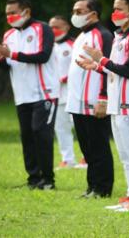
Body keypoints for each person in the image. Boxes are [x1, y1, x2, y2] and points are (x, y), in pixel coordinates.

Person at [77, 0, 129, 212]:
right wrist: (98, 66)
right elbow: (116, 70)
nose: (115, 12)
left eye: (120, 9)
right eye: (115, 8)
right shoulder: (121, 36)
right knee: (126, 154)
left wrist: (100, 59)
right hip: (117, 104)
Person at [0, 0, 59, 190]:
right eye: (7, 14)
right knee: (27, 136)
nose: (10, 17)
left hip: (44, 93)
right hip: (22, 95)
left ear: (26, 12)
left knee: (41, 134)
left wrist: (10, 54)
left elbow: (43, 56)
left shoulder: (42, 29)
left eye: (13, 13)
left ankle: (48, 180)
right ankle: (33, 179)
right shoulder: (9, 36)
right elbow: (9, 66)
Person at [66, 0, 114, 198]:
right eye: (74, 11)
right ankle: (92, 186)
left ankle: (102, 188)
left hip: (94, 101)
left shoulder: (102, 35)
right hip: (77, 101)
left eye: (79, 11)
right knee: (87, 148)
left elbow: (108, 67)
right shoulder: (80, 36)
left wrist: (104, 98)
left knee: (98, 146)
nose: (75, 15)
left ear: (93, 13)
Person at [49, 15, 79, 169]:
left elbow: (79, 65)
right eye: (51, 27)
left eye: (57, 27)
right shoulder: (48, 46)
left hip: (73, 91)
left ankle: (86, 158)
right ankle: (68, 159)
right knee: (61, 127)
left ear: (66, 27)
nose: (54, 30)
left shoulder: (74, 44)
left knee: (80, 125)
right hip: (56, 94)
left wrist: (65, 78)